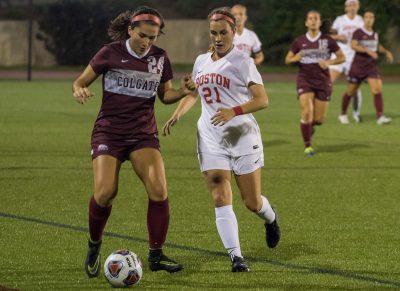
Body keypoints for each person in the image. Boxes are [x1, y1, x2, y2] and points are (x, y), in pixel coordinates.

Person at [72, 6, 193, 278]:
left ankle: (156, 255)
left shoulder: (160, 58)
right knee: (105, 193)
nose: (147, 42)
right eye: (142, 36)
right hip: (109, 133)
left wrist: (183, 91)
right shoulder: (110, 52)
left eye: (152, 38)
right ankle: (94, 244)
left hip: (142, 134)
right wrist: (79, 89)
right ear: (130, 30)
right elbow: (80, 82)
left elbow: (166, 95)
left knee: (159, 190)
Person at [162, 7, 280, 272]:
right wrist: (177, 114)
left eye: (223, 32)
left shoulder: (243, 61)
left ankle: (270, 218)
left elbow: (262, 100)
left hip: (241, 135)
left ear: (234, 32)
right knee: (218, 193)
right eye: (213, 33)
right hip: (210, 136)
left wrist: (233, 111)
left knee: (252, 201)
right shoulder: (201, 61)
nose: (218, 37)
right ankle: (236, 257)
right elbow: (196, 93)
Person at [285, 10, 345, 156]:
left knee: (318, 120)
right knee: (306, 112)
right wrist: (296, 57)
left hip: (323, 81)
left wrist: (329, 62)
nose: (313, 21)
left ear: (319, 22)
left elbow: (341, 57)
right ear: (306, 22)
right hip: (304, 80)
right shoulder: (299, 41)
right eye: (310, 18)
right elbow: (287, 60)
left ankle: (309, 126)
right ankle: (308, 146)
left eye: (316, 18)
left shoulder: (328, 40)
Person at [340, 10, 393, 125]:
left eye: (371, 17)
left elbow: (377, 46)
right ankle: (343, 114)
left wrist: (386, 52)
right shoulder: (358, 32)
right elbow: (353, 45)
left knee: (377, 89)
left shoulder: (375, 34)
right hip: (357, 67)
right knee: (350, 92)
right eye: (367, 17)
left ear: (374, 20)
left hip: (371, 67)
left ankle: (380, 117)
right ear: (363, 19)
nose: (369, 19)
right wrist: (368, 51)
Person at [330, 0, 364, 124]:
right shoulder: (340, 20)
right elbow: (330, 36)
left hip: (353, 58)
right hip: (339, 56)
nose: (352, 7)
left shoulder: (361, 21)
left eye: (354, 4)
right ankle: (316, 112)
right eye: (350, 5)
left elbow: (366, 37)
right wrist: (338, 37)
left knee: (354, 88)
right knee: (327, 83)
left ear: (358, 7)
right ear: (346, 8)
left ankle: (356, 114)